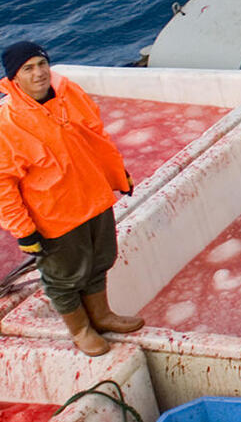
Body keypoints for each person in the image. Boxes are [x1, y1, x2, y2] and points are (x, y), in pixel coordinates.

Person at [0, 42, 143, 356]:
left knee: (99, 262)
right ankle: (81, 330)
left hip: (94, 199)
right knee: (63, 279)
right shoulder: (7, 124)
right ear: (14, 78)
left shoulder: (69, 93)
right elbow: (3, 187)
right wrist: (24, 231)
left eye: (41, 64)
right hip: (55, 217)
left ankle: (103, 316)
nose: (39, 73)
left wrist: (118, 174)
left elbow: (97, 137)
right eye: (28, 68)